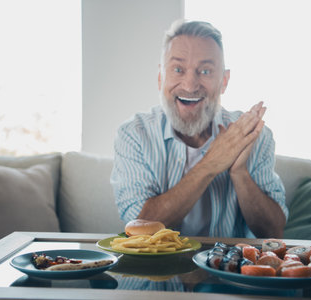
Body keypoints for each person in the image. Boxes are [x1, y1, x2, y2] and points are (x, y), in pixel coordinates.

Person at [110, 20, 287, 238]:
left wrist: (239, 172)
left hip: (227, 268)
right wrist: (211, 164)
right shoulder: (133, 135)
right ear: (160, 77)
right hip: (157, 269)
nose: (190, 85)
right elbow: (138, 228)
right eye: (178, 69)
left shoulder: (251, 133)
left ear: (224, 80)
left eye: (205, 71)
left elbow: (273, 230)